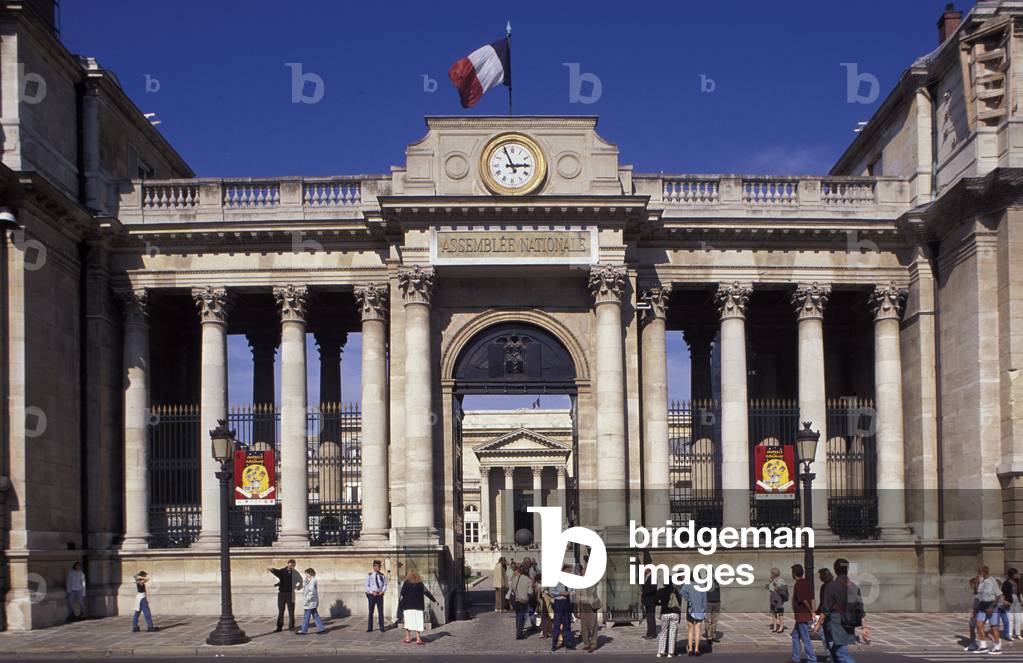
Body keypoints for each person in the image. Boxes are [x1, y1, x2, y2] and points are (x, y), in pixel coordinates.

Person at [821, 558, 865, 663]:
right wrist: (865, 627)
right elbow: (860, 609)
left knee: (840, 653)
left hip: (834, 622)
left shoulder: (831, 586)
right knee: (837, 651)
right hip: (849, 622)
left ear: (835, 570)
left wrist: (818, 624)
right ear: (847, 569)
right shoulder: (854, 587)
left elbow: (826, 609)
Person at [398, 570, 436, 646]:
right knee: (418, 622)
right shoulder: (420, 584)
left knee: (408, 622)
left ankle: (408, 638)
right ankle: (418, 639)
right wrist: (434, 600)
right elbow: (427, 592)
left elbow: (402, 593)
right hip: (418, 606)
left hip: (408, 606)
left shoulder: (406, 583)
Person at [790, 564, 818, 663]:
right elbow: (812, 598)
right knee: (795, 636)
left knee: (806, 638)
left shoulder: (798, 584)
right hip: (803, 616)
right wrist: (813, 610)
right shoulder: (806, 583)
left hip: (802, 615)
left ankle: (812, 659)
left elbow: (804, 600)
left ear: (794, 573)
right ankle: (795, 657)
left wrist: (810, 609)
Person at [974, 565, 1003, 655]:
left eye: (980, 572)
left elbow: (998, 595)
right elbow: (976, 592)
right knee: (979, 624)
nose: (979, 574)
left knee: (994, 627)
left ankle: (997, 647)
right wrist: (977, 583)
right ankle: (983, 646)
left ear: (984, 572)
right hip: (982, 605)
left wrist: (992, 607)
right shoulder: (981, 581)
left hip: (992, 606)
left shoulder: (992, 581)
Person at [267, 559, 301, 632]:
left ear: (294, 566)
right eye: (290, 565)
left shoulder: (295, 573)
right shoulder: (282, 571)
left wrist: (298, 586)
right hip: (282, 594)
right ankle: (279, 627)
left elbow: (300, 580)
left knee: (291, 611)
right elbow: (278, 572)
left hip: (291, 594)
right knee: (281, 611)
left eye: (293, 566)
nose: (291, 566)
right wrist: (272, 570)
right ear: (288, 564)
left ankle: (291, 626)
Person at [549, 567, 576, 652]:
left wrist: (571, 593)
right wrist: (560, 593)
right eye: (567, 572)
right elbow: (551, 592)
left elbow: (573, 590)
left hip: (567, 603)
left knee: (567, 625)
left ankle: (568, 643)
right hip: (559, 603)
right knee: (557, 625)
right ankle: (554, 645)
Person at [811, 568, 835, 657]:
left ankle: (831, 654)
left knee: (825, 636)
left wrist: (819, 615)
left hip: (826, 614)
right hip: (833, 614)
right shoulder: (833, 585)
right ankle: (832, 654)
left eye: (821, 575)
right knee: (829, 637)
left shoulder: (825, 587)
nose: (820, 577)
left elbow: (824, 602)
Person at [680, 581, 707, 656]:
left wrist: (689, 599)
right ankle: (697, 649)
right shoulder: (702, 585)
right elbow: (704, 600)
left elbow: (682, 592)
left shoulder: (687, 584)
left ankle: (691, 649)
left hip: (690, 608)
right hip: (700, 609)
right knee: (698, 629)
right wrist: (705, 610)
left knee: (690, 629)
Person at [297, 567, 326, 635]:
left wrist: (307, 600)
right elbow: (304, 586)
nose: (305, 575)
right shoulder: (310, 581)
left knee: (306, 616)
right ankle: (321, 628)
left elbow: (311, 592)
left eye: (306, 574)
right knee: (315, 615)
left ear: (310, 574)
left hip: (310, 603)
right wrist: (305, 581)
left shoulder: (312, 581)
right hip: (313, 602)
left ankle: (304, 630)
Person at [576, 573, 601, 652]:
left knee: (593, 625)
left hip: (592, 605)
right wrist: (578, 610)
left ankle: (593, 644)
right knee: (584, 626)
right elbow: (577, 596)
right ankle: (586, 643)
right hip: (583, 605)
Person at [656, 583, 680, 658]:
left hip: (664, 613)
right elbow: (679, 602)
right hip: (674, 613)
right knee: (672, 633)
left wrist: (662, 603)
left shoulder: (660, 591)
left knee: (663, 632)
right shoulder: (675, 590)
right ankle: (670, 652)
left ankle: (661, 652)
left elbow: (655, 601)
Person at [509, 563, 532, 640]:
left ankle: (518, 631)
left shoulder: (515, 578)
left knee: (518, 617)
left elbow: (511, 589)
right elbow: (530, 592)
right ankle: (519, 634)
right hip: (524, 601)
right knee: (521, 618)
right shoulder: (529, 580)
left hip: (516, 600)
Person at [365, 559, 388, 633]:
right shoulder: (370, 575)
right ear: (374, 567)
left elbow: (385, 584)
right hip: (372, 595)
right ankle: (370, 627)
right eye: (377, 566)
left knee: (381, 612)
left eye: (379, 566)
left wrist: (382, 591)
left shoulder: (382, 576)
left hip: (379, 595)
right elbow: (367, 586)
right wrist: (372, 592)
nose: (379, 568)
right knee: (371, 611)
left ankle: (382, 627)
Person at [767, 567, 788, 633]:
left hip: (778, 597)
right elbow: (767, 588)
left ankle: (781, 627)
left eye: (772, 573)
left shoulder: (780, 580)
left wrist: (776, 587)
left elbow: (784, 589)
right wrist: (769, 582)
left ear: (775, 573)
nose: (771, 574)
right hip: (772, 596)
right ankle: (775, 626)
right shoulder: (772, 580)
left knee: (780, 612)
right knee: (773, 612)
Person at [641, 569, 658, 639]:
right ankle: (649, 633)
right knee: (649, 618)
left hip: (651, 600)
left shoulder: (653, 577)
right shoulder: (647, 577)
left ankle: (652, 633)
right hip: (647, 600)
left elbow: (653, 588)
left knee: (651, 617)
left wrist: (644, 592)